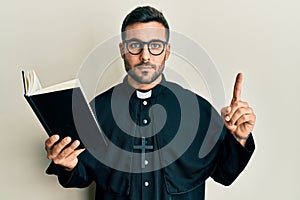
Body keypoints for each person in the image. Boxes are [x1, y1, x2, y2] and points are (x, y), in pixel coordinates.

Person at [45, 6, 256, 200]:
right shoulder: (96, 110)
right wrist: (68, 164)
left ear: (167, 51)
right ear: (122, 50)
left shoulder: (198, 110)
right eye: (135, 45)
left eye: (155, 45)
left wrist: (239, 137)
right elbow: (82, 174)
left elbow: (224, 174)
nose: (145, 56)